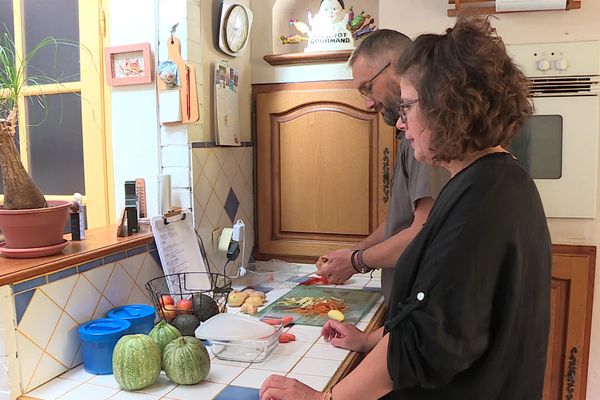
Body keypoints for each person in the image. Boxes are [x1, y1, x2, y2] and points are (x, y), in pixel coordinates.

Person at [260, 16, 552, 400]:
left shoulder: (480, 201)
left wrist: (323, 399)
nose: (401, 123)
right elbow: (434, 308)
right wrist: (370, 341)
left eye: (409, 107)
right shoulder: (493, 182)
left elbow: (429, 342)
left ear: (448, 108)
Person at [316, 29, 447, 305]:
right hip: (407, 305)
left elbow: (423, 230)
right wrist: (353, 253)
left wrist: (357, 261)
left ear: (396, 64)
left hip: (419, 306)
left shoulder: (426, 138)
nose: (367, 103)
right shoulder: (408, 135)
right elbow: (398, 223)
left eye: (367, 87)